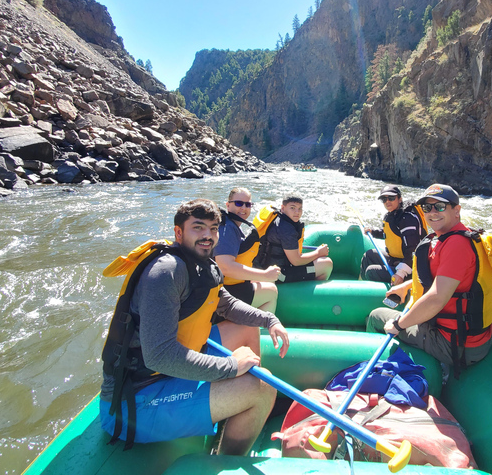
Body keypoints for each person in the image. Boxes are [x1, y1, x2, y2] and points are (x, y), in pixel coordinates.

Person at [100, 199, 289, 454]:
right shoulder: (165, 273)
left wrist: (269, 320)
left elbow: (226, 304)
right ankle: (225, 461)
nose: (207, 236)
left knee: (247, 328)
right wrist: (231, 367)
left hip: (171, 372)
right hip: (137, 398)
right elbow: (159, 357)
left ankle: (236, 408)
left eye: (213, 229)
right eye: (197, 228)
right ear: (179, 232)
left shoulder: (203, 263)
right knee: (264, 387)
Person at [366, 184, 492, 379]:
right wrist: (407, 285)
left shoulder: (456, 245)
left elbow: (436, 299)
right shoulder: (458, 236)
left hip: (456, 345)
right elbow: (447, 279)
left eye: (440, 207)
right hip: (471, 335)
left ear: (456, 210)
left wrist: (398, 325)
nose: (432, 212)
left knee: (376, 316)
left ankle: (374, 372)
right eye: (427, 208)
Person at [215, 187, 280, 313]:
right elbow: (225, 267)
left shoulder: (233, 225)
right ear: (228, 205)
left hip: (230, 285)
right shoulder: (226, 229)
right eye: (239, 203)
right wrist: (265, 275)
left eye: (248, 204)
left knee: (264, 281)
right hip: (222, 292)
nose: (243, 208)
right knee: (271, 291)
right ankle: (260, 330)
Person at [253, 194, 333, 283]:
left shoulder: (277, 219)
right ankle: (307, 294)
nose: (297, 212)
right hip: (278, 275)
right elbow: (296, 261)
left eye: (300, 208)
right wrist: (318, 252)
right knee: (326, 264)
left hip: (265, 267)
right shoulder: (286, 229)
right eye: (292, 208)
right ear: (283, 208)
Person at [361, 185, 426, 285]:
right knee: (369, 255)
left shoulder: (407, 219)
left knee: (371, 271)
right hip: (396, 260)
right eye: (384, 199)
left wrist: (401, 273)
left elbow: (412, 250)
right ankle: (361, 288)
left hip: (411, 268)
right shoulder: (394, 215)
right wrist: (373, 232)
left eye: (391, 198)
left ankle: (377, 297)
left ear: (400, 199)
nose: (387, 201)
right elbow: (390, 234)